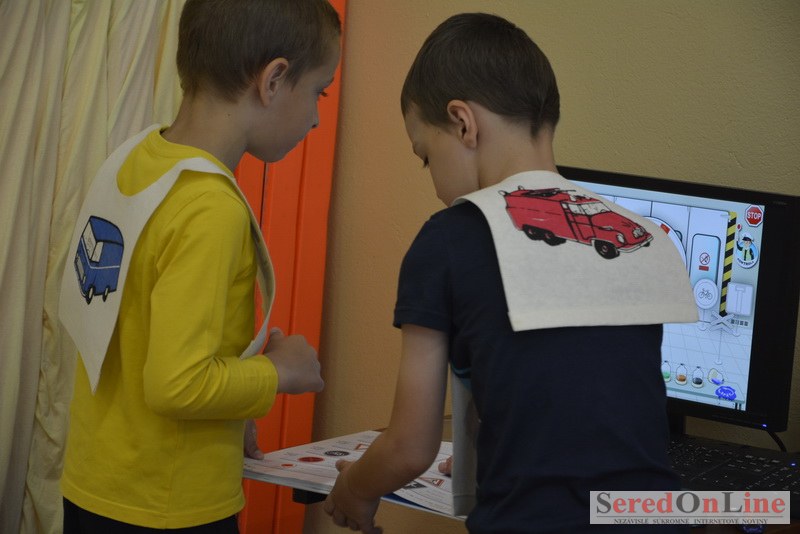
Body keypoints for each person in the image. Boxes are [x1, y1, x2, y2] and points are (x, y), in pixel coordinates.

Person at [323, 12, 697, 533]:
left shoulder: (448, 239)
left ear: (463, 122)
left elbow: (408, 448)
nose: (434, 183)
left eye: (425, 157)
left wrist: (354, 490)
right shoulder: (643, 236)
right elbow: (589, 409)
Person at [59, 1, 340, 532]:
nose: (316, 117)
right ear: (273, 80)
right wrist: (279, 372)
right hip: (169, 508)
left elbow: (142, 337)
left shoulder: (134, 157)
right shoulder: (209, 207)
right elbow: (177, 385)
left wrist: (233, 407)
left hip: (96, 485)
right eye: (318, 91)